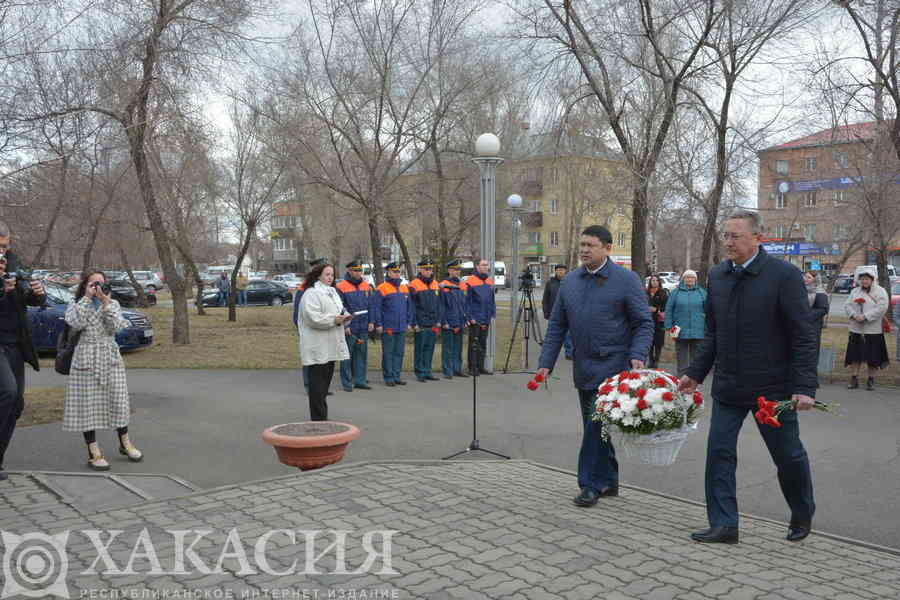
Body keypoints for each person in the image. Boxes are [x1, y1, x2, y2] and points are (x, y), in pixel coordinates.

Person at [679, 209, 818, 545]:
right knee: (719, 454)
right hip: (728, 386)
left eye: (735, 236)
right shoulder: (718, 276)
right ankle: (724, 524)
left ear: (758, 237)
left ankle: (801, 511)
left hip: (773, 389)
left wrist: (803, 387)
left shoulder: (783, 276)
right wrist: (695, 374)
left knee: (788, 455)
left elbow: (803, 335)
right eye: (725, 235)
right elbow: (714, 333)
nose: (728, 242)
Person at [536, 225, 653, 508]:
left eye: (591, 245)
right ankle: (610, 480)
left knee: (594, 425)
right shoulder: (571, 281)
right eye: (582, 245)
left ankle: (589, 484)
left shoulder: (626, 280)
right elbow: (557, 326)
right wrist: (545, 364)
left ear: (607, 248)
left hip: (614, 368)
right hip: (584, 368)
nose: (585, 250)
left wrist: (638, 353)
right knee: (596, 427)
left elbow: (643, 322)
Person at [63, 270, 143, 471]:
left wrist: (106, 303)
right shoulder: (77, 304)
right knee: (87, 405)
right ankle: (93, 451)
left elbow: (116, 327)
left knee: (118, 400)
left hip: (109, 356)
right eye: (93, 283)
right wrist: (88, 298)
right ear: (85, 286)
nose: (98, 287)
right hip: (86, 358)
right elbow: (75, 323)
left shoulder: (112, 304)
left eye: (101, 283)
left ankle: (125, 443)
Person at [0, 224, 46, 482]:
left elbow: (28, 297)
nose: (2, 253)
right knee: (6, 392)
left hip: (15, 343)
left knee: (16, 404)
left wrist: (38, 294)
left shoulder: (14, 264)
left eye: (5, 247)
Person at [298, 263, 351, 420]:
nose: (330, 278)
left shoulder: (332, 292)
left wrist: (345, 316)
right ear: (318, 275)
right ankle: (318, 420)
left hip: (331, 345)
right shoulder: (311, 293)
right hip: (317, 345)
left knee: (324, 387)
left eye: (332, 275)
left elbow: (339, 310)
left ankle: (322, 419)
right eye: (327, 274)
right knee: (317, 388)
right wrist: (334, 320)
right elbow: (313, 318)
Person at [843, 268, 889, 391]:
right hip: (856, 329)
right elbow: (847, 305)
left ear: (872, 279)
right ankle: (854, 379)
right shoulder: (855, 291)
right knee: (855, 356)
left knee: (872, 357)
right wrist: (854, 315)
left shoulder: (880, 291)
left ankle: (871, 380)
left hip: (873, 330)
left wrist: (866, 316)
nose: (864, 281)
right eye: (862, 279)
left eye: (867, 279)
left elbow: (882, 307)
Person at [335, 260, 375, 392]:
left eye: (360, 271)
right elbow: (340, 307)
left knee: (361, 354)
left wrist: (371, 322)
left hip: (363, 325)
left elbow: (371, 306)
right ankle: (347, 382)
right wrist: (345, 325)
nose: (359, 273)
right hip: (350, 327)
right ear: (349, 271)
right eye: (356, 270)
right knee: (347, 356)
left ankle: (360, 380)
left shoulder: (366, 286)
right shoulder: (341, 286)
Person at [293, 258, 330, 397]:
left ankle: (322, 387)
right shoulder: (304, 288)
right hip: (309, 330)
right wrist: (302, 330)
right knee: (310, 358)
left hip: (323, 329)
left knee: (323, 358)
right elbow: (298, 314)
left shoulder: (324, 288)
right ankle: (309, 387)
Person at [375, 262, 414, 387]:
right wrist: (379, 324)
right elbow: (377, 308)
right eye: (394, 272)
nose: (397, 274)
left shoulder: (404, 288)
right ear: (389, 272)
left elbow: (409, 307)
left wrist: (408, 322)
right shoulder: (382, 288)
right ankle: (388, 377)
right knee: (388, 352)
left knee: (399, 352)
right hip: (388, 326)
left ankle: (397, 375)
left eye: (398, 272)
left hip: (401, 325)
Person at [663, 269, 707, 376]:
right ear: (683, 279)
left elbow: (708, 310)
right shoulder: (675, 293)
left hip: (698, 330)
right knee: (681, 355)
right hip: (680, 330)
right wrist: (668, 326)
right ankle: (681, 377)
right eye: (687, 277)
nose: (690, 279)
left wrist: (707, 326)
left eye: (692, 277)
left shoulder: (702, 293)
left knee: (696, 356)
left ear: (695, 280)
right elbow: (669, 309)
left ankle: (693, 377)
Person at [409, 258, 443, 382]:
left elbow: (439, 304)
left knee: (430, 347)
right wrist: (414, 322)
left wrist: (439, 320)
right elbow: (411, 306)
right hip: (421, 321)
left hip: (433, 321)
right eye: (426, 269)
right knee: (420, 348)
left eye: (430, 269)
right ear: (420, 269)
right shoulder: (414, 284)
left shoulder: (435, 283)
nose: (429, 271)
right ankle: (420, 372)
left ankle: (428, 371)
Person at [464, 258, 496, 375]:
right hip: (475, 318)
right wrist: (470, 316)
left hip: (486, 317)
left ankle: (481, 366)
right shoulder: (470, 281)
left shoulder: (489, 281)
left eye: (486, 265)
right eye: (483, 265)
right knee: (474, 343)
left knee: (483, 342)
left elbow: (492, 300)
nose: (485, 267)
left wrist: (492, 314)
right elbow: (467, 301)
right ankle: (472, 367)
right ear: (477, 267)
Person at [439, 259, 469, 379]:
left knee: (458, 348)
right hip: (449, 321)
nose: (457, 272)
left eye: (458, 270)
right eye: (455, 270)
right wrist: (444, 321)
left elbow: (464, 304)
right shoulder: (444, 285)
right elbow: (441, 306)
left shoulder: (462, 284)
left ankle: (457, 369)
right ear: (449, 270)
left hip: (460, 320)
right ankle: (448, 370)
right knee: (448, 348)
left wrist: (465, 319)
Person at [543, 264, 572, 359]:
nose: (560, 271)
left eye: (562, 270)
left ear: (565, 271)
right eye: (558, 270)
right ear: (555, 271)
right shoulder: (550, 283)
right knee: (553, 335)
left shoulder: (569, 282)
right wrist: (546, 312)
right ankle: (549, 355)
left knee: (568, 335)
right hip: (554, 313)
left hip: (568, 313)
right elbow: (545, 299)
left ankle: (569, 353)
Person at [804, 271, 829, 378]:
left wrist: (807, 316)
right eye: (805, 277)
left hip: (813, 327)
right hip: (800, 326)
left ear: (815, 279)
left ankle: (811, 377)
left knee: (812, 351)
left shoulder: (820, 293)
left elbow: (823, 309)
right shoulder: (800, 290)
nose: (805, 279)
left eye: (808, 277)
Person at [646, 275, 669, 369]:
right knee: (649, 341)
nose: (654, 282)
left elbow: (666, 306)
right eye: (652, 280)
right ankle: (650, 359)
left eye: (656, 280)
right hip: (648, 320)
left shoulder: (663, 293)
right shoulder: (646, 293)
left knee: (658, 341)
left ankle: (657, 360)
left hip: (659, 321)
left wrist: (656, 309)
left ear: (659, 282)